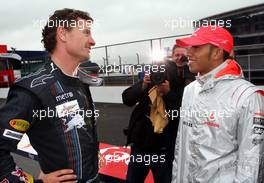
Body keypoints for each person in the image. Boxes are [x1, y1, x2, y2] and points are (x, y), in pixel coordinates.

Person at [0, 8, 99, 183]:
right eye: (86, 33)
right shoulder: (32, 89)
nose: (93, 41)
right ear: (63, 34)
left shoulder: (81, 80)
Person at [171, 25, 264, 182]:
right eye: (189, 46)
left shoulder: (247, 96)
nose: (188, 52)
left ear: (217, 52)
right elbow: (181, 148)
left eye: (196, 47)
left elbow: (251, 162)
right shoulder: (189, 90)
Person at [122, 49, 194, 182]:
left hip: (164, 149)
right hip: (140, 145)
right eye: (176, 55)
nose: (161, 77)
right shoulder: (149, 82)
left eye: (183, 57)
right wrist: (143, 85)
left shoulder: (185, 87)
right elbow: (127, 99)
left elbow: (182, 112)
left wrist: (168, 93)